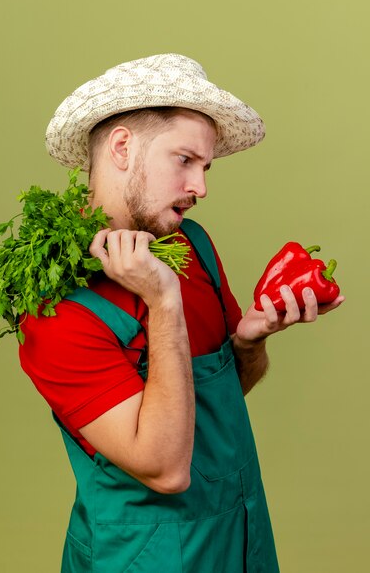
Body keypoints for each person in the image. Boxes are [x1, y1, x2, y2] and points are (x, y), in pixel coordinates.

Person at [19, 54, 344, 572]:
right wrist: (162, 300)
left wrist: (249, 342)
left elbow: (222, 396)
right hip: (146, 558)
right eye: (185, 160)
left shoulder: (189, 244)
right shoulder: (58, 310)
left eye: (206, 167)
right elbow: (165, 468)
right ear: (123, 147)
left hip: (242, 536)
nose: (201, 187)